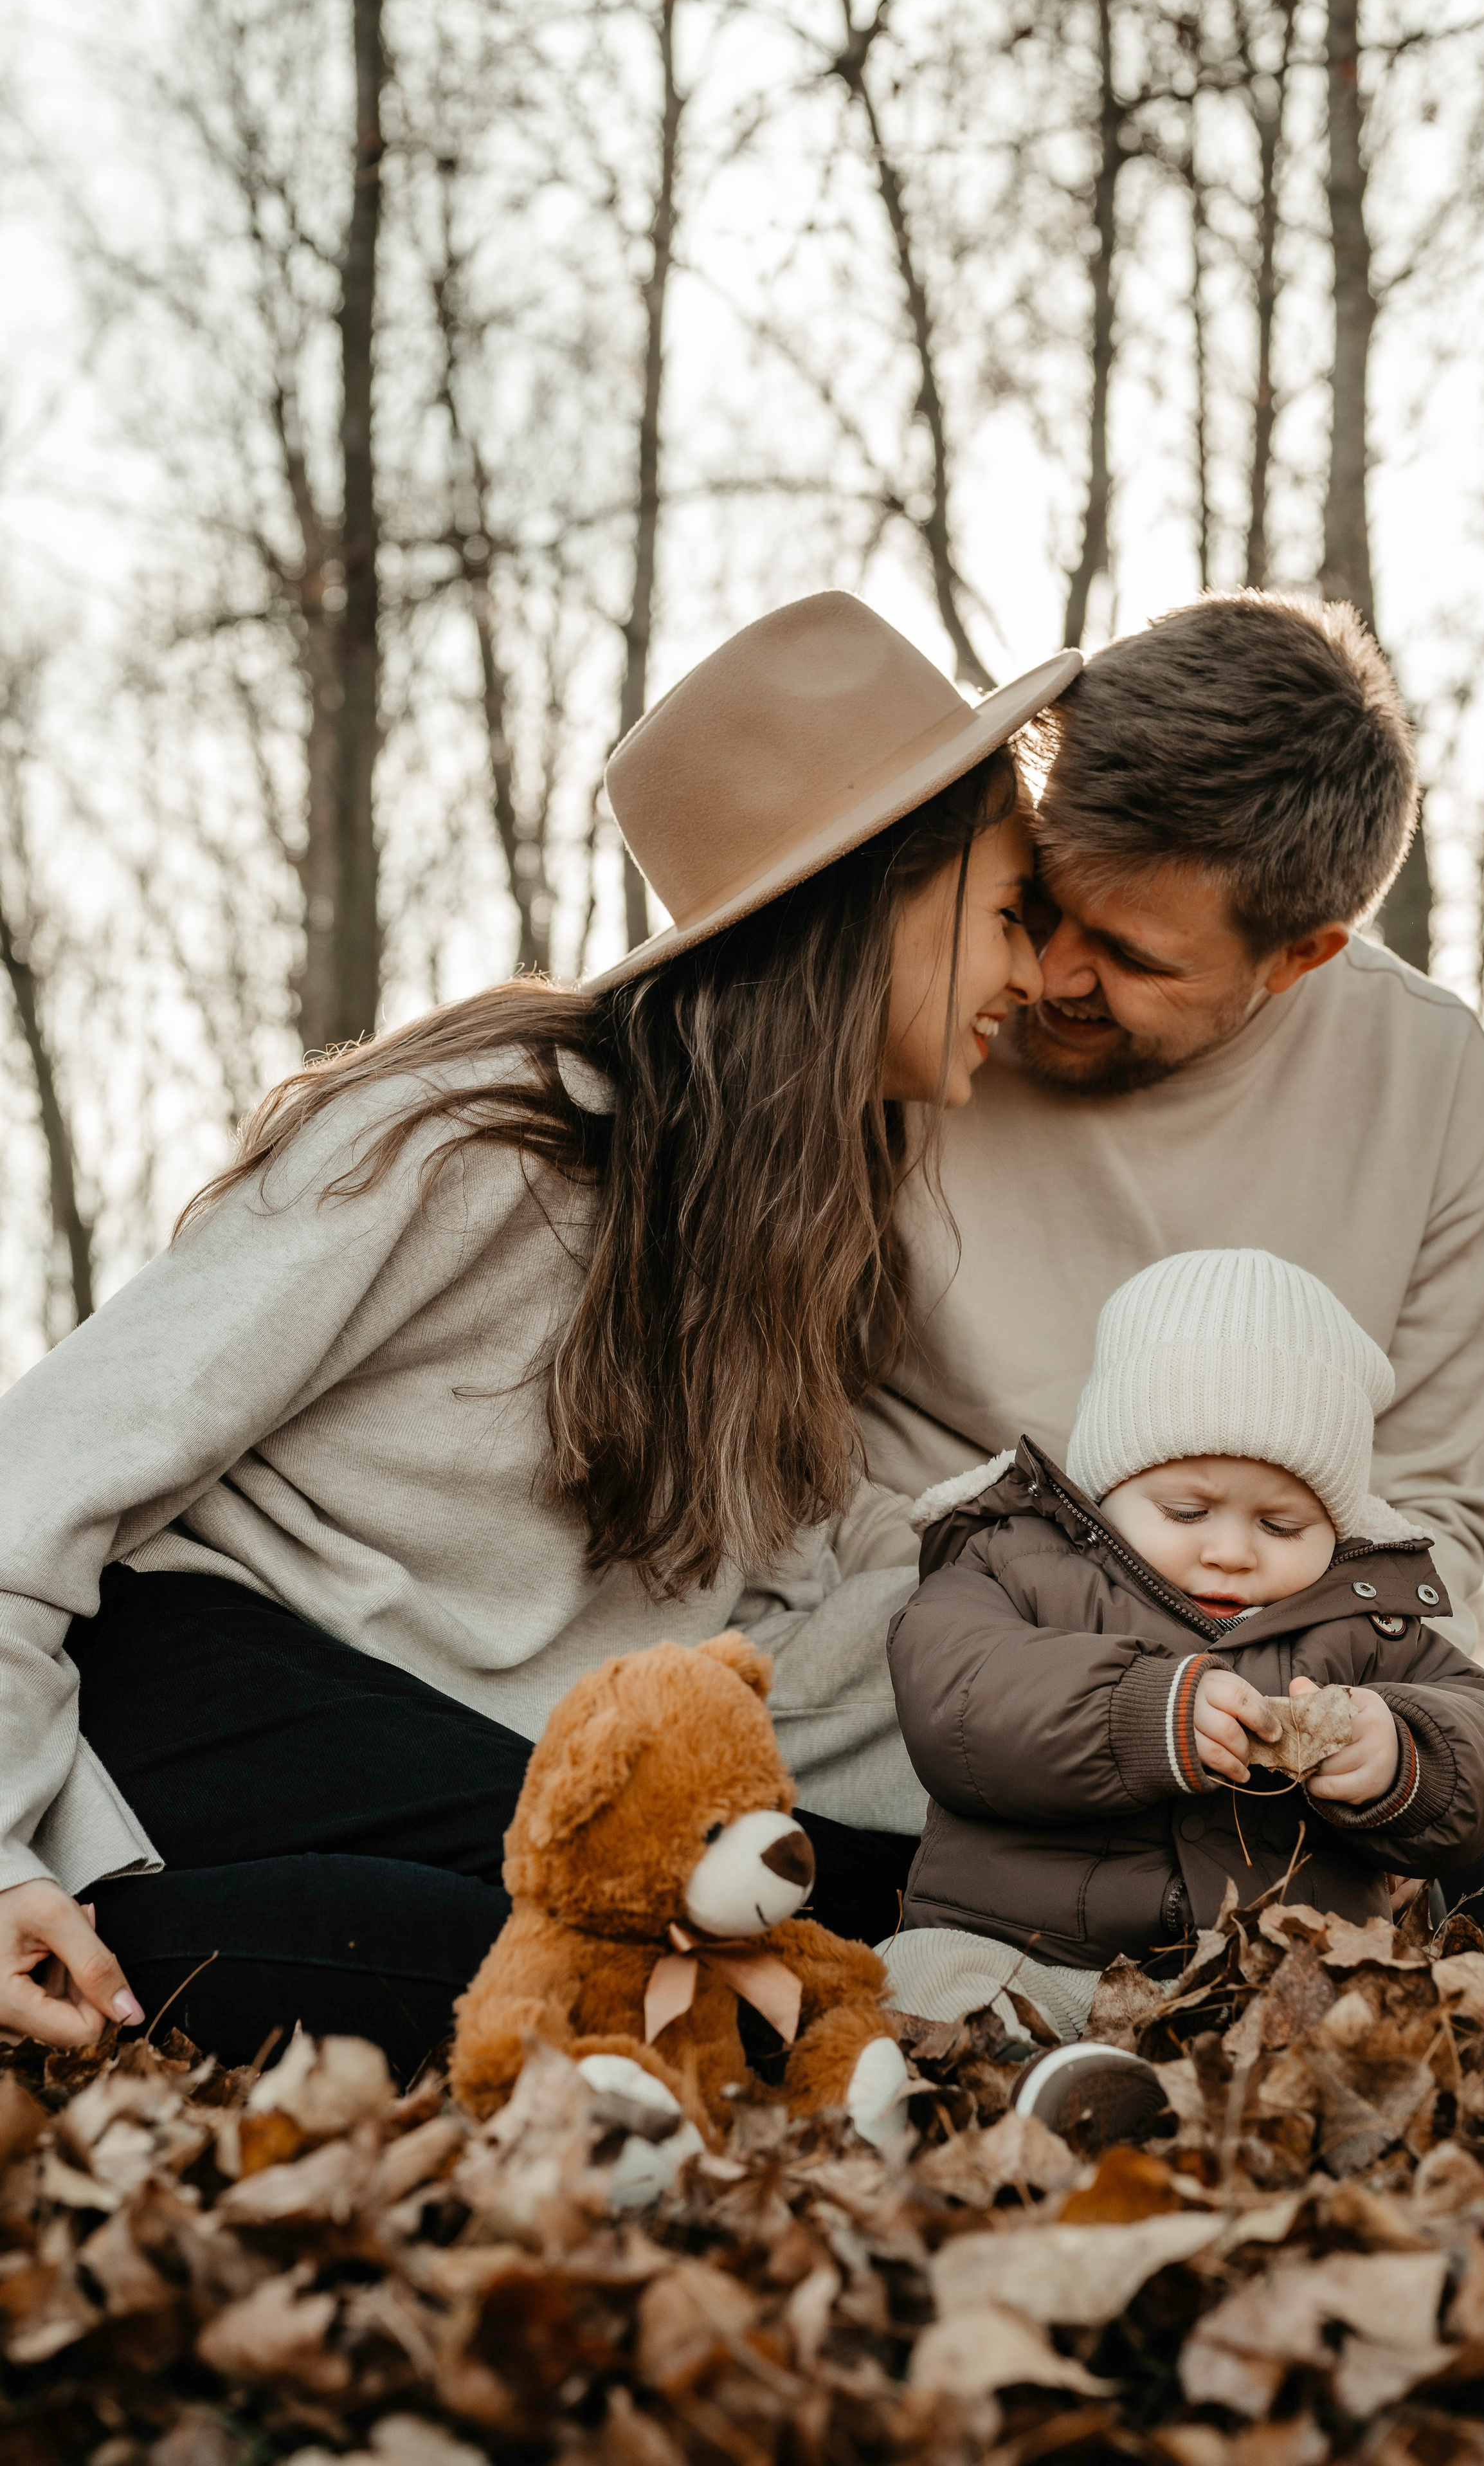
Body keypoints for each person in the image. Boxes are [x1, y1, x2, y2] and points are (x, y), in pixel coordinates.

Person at [0, 591, 1081, 2069]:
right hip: (200, 1692)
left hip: (471, 1747)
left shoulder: (772, 1227)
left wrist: (1084, 1621)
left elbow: (784, 1625)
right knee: (598, 1951)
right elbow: (39, 1476)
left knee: (831, 1891)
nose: (1029, 978)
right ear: (873, 893)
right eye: (1009, 910)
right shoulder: (477, 1140)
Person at [862, 594, 1484, 1651]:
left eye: (1132, 957)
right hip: (918, 1626)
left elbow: (1428, 1508)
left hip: (1276, 1665)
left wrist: (1271, 1688)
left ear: (1298, 958)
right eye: (1040, 903)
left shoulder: (1437, 1087)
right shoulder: (918, 1002)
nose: (1046, 974)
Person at [880, 1248, 1484, 2145]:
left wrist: (1403, 1754)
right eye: (1188, 1512)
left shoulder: (1368, 1621)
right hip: (1037, 1952)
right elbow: (957, 1695)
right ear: (1112, 1486)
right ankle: (1033, 2087)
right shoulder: (1012, 1562)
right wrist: (1146, 1712)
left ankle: (1263, 2121)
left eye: (1281, 1524)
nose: (1231, 1550)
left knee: (1376, 2032)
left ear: (1335, 1528)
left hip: (1270, 1987)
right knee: (921, 1982)